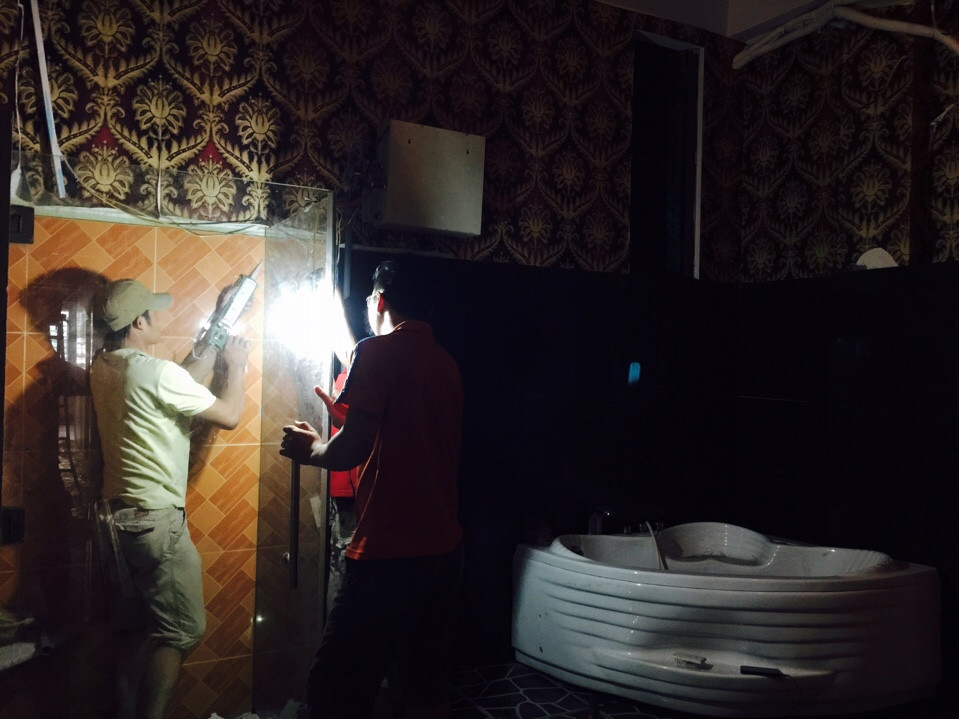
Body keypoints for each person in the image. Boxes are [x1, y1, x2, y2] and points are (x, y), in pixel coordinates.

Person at [280, 259, 464, 719]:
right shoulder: (445, 363)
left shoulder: (376, 352)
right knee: (424, 686)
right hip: (443, 552)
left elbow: (351, 450)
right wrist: (353, 420)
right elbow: (409, 436)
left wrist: (312, 449)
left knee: (334, 689)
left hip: (389, 554)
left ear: (379, 301)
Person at [89, 278, 250, 719]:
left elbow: (180, 381)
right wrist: (237, 366)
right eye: (153, 311)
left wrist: (219, 322)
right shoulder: (155, 373)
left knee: (142, 626)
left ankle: (125, 708)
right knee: (182, 629)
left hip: (115, 521)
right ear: (139, 323)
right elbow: (229, 415)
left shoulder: (104, 365)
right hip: (154, 523)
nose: (160, 316)